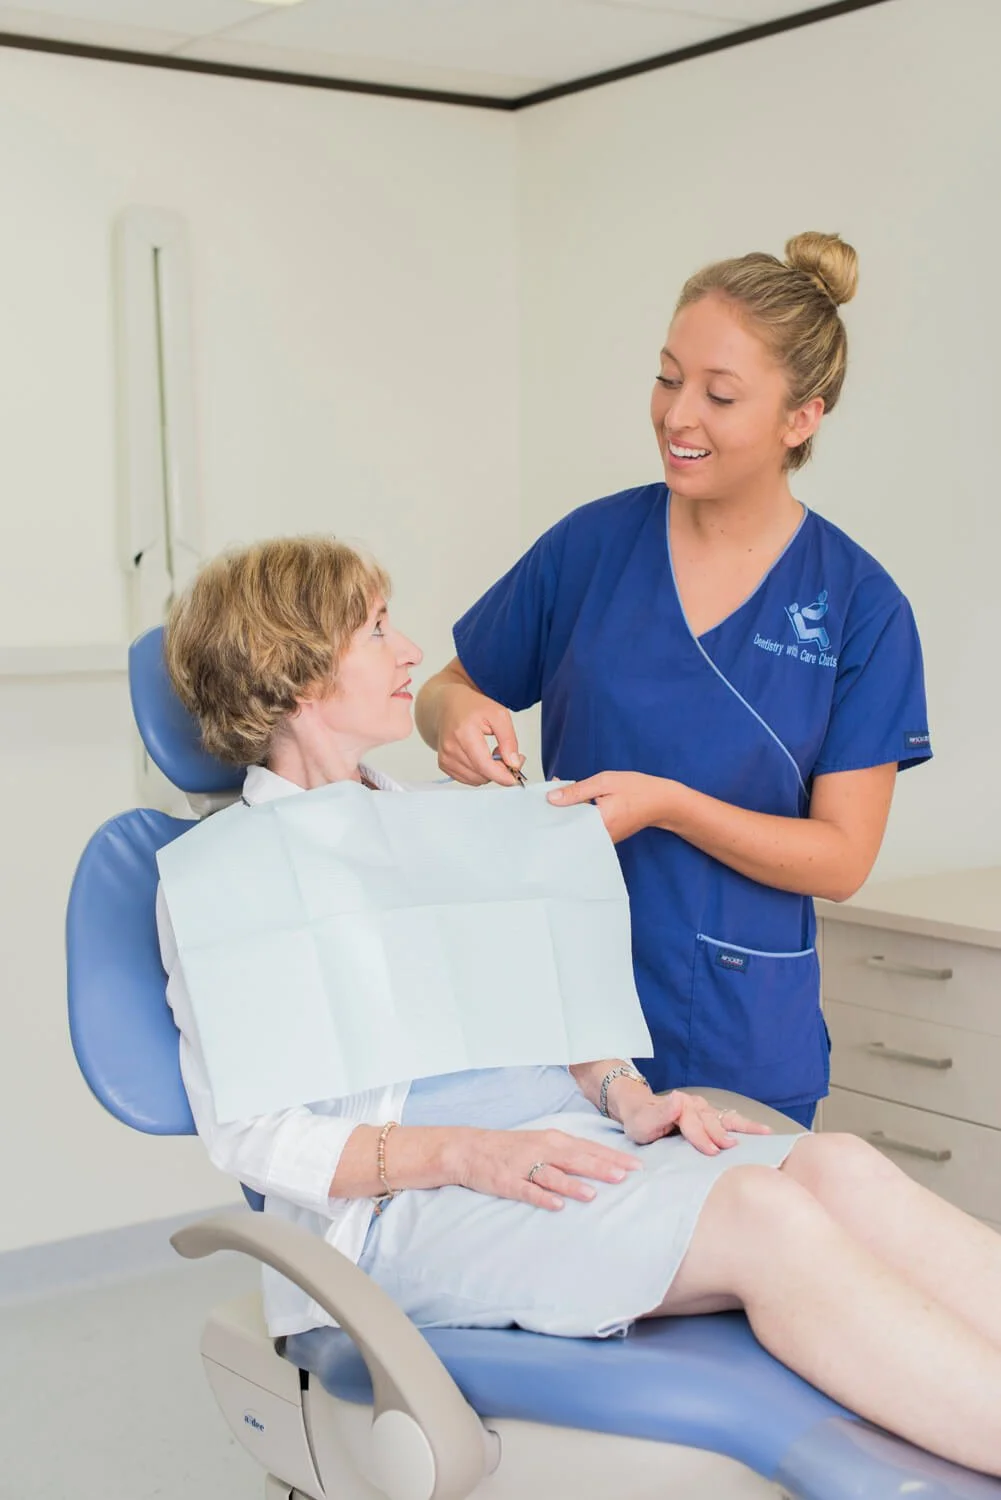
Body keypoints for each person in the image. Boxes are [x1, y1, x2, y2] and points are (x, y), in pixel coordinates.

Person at [156, 537, 1001, 1479]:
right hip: (412, 1209)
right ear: (296, 669)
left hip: (562, 1147)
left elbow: (545, 1009)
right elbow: (257, 1141)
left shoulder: (438, 821)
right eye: (377, 630)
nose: (409, 653)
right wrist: (471, 1153)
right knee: (765, 1216)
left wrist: (623, 1097)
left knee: (840, 1168)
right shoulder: (227, 885)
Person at [416, 232, 932, 1130]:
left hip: (737, 1029)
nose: (675, 415)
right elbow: (445, 686)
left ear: (799, 418)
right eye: (666, 378)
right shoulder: (591, 546)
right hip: (563, 1020)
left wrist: (670, 805)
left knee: (738, 1266)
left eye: (718, 394)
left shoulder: (858, 607)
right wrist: (456, 715)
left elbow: (842, 858)